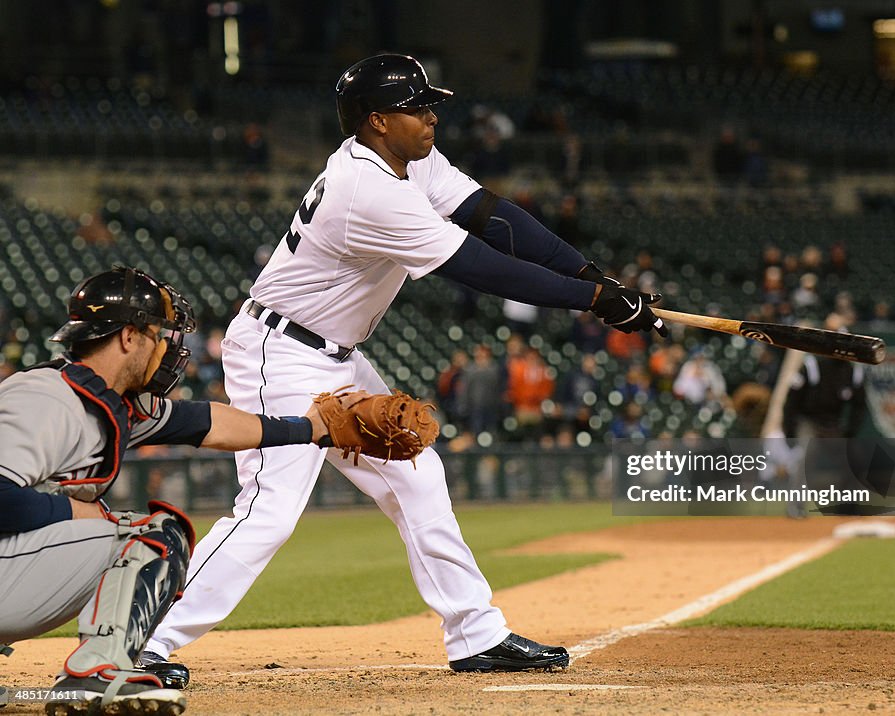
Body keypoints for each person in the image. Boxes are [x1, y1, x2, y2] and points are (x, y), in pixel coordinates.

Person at [140, 53, 667, 681]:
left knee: (417, 472)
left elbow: (495, 218)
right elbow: (480, 266)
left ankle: (475, 633)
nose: (431, 114)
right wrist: (595, 303)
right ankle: (140, 638)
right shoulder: (369, 190)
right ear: (376, 121)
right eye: (415, 106)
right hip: (278, 353)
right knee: (270, 511)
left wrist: (591, 277)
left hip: (333, 352)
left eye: (430, 102)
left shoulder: (409, 163)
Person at [0, 267, 342, 715]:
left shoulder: (114, 401)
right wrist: (71, 513)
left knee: (121, 525)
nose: (167, 346)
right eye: (158, 333)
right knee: (154, 537)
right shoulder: (46, 399)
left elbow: (208, 422)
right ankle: (98, 673)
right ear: (128, 337)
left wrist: (311, 430)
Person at [781, 313, 868, 518]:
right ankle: (796, 508)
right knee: (805, 455)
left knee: (853, 457)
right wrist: (789, 430)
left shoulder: (852, 371)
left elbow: (859, 406)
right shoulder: (812, 366)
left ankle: (847, 507)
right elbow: (791, 401)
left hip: (833, 422)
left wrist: (850, 431)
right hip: (808, 420)